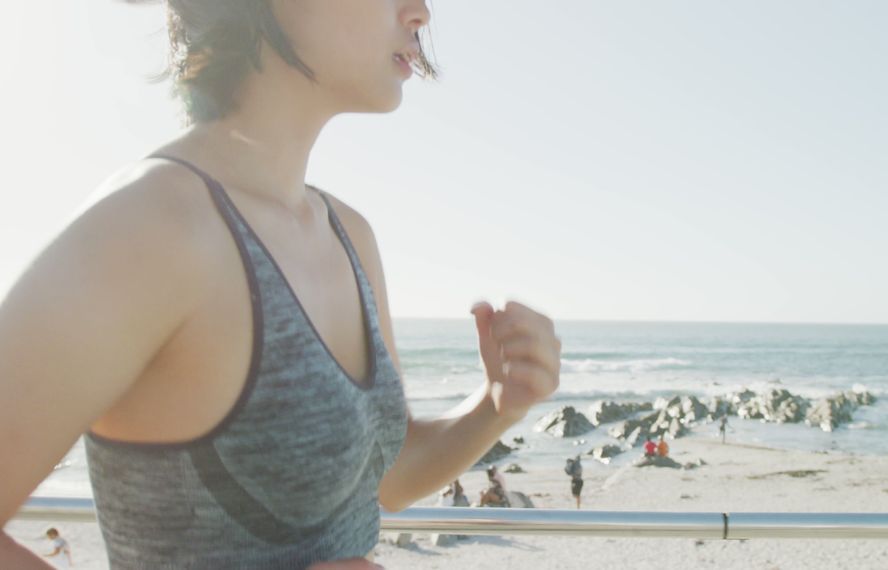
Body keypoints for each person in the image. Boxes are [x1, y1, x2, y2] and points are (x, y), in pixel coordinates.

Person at [0, 2, 564, 568]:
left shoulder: (349, 233)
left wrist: (494, 407)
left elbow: (384, 478)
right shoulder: (150, 227)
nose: (419, 12)